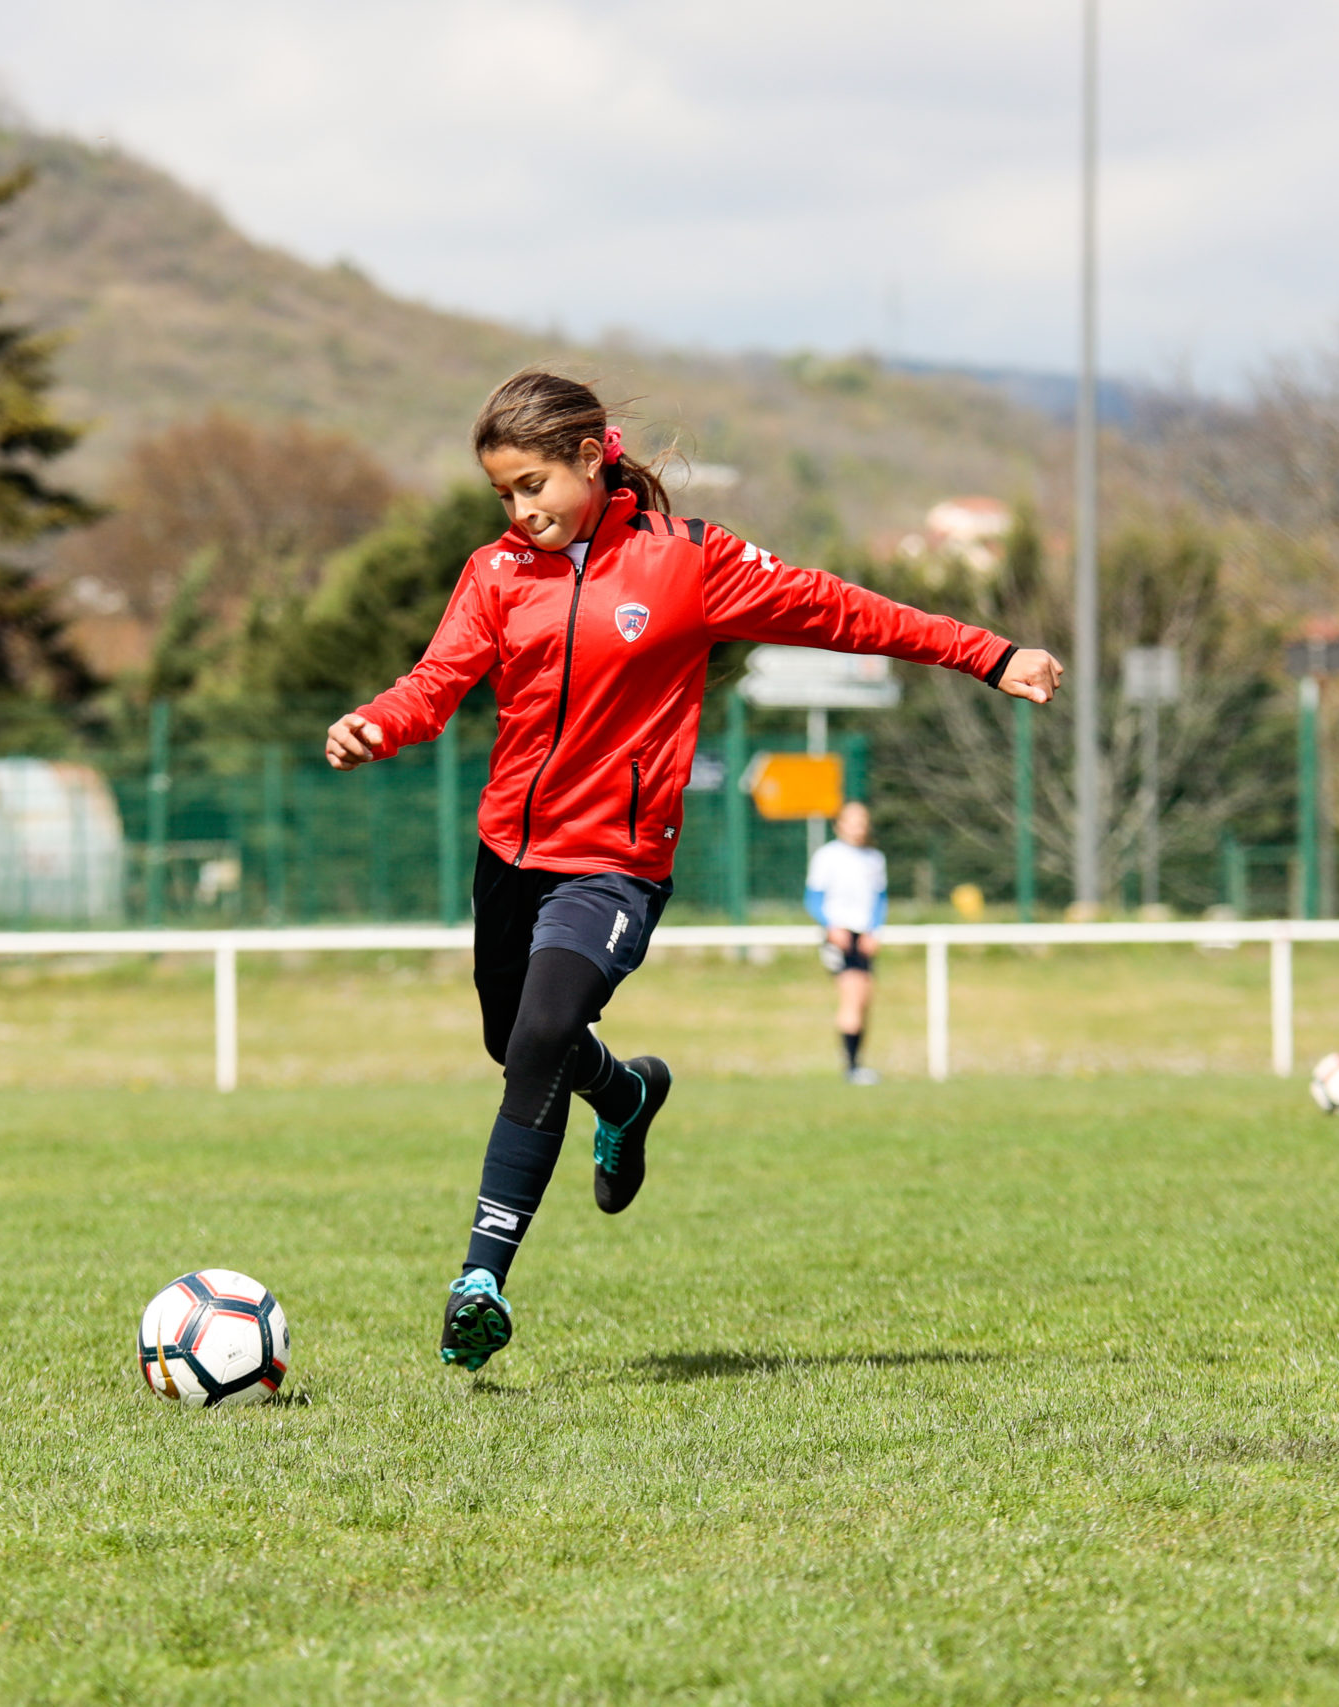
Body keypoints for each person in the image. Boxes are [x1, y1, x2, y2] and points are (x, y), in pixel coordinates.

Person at [324, 370, 1062, 1371]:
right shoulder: (493, 574)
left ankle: (480, 1279)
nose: (520, 509)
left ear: (591, 458)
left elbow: (839, 611)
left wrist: (987, 653)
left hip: (614, 866)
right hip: (510, 856)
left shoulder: (688, 564)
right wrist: (379, 725)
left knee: (542, 1034)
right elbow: (436, 680)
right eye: (503, 493)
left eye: (533, 484)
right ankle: (625, 1098)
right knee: (518, 1042)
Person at [807, 801, 887, 1084]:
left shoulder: (874, 858)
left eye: (862, 821)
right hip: (839, 935)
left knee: (865, 999)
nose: (858, 827)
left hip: (864, 936)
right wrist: (832, 927)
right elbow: (813, 898)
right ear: (839, 825)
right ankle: (852, 1068)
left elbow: (879, 898)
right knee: (852, 996)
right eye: (852, 821)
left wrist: (874, 931)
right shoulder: (828, 856)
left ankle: (856, 1064)